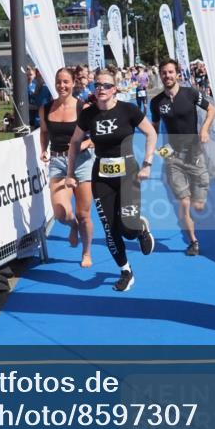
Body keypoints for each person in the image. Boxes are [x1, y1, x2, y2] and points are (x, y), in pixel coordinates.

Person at [64, 69, 157, 292]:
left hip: (128, 175)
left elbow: (151, 133)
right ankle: (126, 271)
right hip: (102, 177)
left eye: (106, 85)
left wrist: (147, 163)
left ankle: (140, 229)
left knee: (127, 228)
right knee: (109, 229)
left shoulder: (128, 110)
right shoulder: (88, 114)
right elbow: (74, 142)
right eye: (97, 85)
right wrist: (70, 173)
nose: (100, 89)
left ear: (115, 89)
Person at [150, 59, 215, 255]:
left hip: (195, 153)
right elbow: (153, 129)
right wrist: (153, 150)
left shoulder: (190, 94)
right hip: (172, 155)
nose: (167, 76)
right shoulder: (157, 102)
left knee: (198, 204)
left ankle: (196, 212)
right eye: (164, 73)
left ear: (177, 74)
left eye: (171, 72)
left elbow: (212, 109)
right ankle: (193, 241)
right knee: (185, 202)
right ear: (160, 75)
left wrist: (204, 129)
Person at [40, 68, 95, 267]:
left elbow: (96, 137)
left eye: (65, 82)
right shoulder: (46, 108)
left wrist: (85, 144)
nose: (62, 86)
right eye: (58, 82)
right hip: (58, 161)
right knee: (60, 213)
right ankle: (73, 226)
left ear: (73, 83)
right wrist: (43, 149)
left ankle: (87, 252)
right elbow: (44, 132)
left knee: (83, 214)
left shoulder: (84, 108)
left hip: (81, 162)